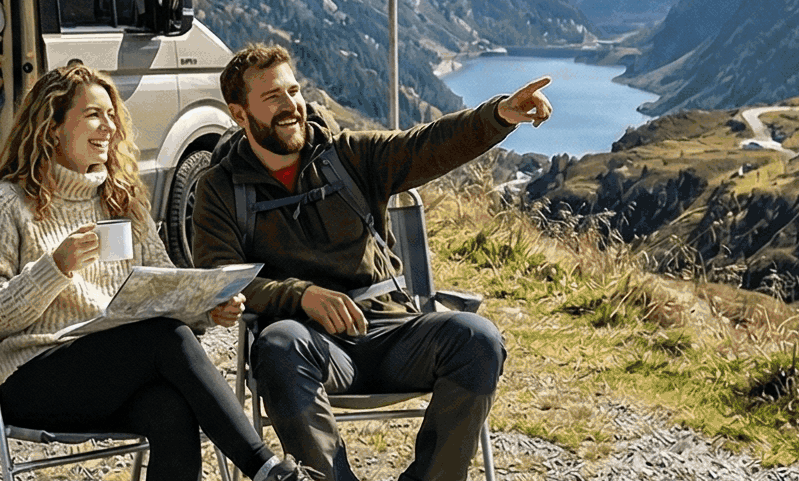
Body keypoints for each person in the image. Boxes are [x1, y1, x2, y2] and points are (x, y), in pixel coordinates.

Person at [188, 44, 554, 481]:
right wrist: (300, 296)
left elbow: (426, 145)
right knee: (277, 346)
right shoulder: (220, 188)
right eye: (272, 97)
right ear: (239, 114)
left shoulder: (348, 156)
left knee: (478, 338)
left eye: (294, 91)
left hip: (391, 332)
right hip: (310, 346)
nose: (290, 106)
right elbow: (220, 278)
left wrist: (499, 116)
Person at [0, 62, 305, 481]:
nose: (108, 127)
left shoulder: (120, 200)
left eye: (111, 115)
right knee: (165, 337)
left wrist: (205, 308)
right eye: (93, 115)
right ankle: (266, 469)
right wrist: (55, 268)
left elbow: (162, 287)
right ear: (51, 129)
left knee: (170, 409)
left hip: (110, 372)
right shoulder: (6, 203)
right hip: (28, 376)